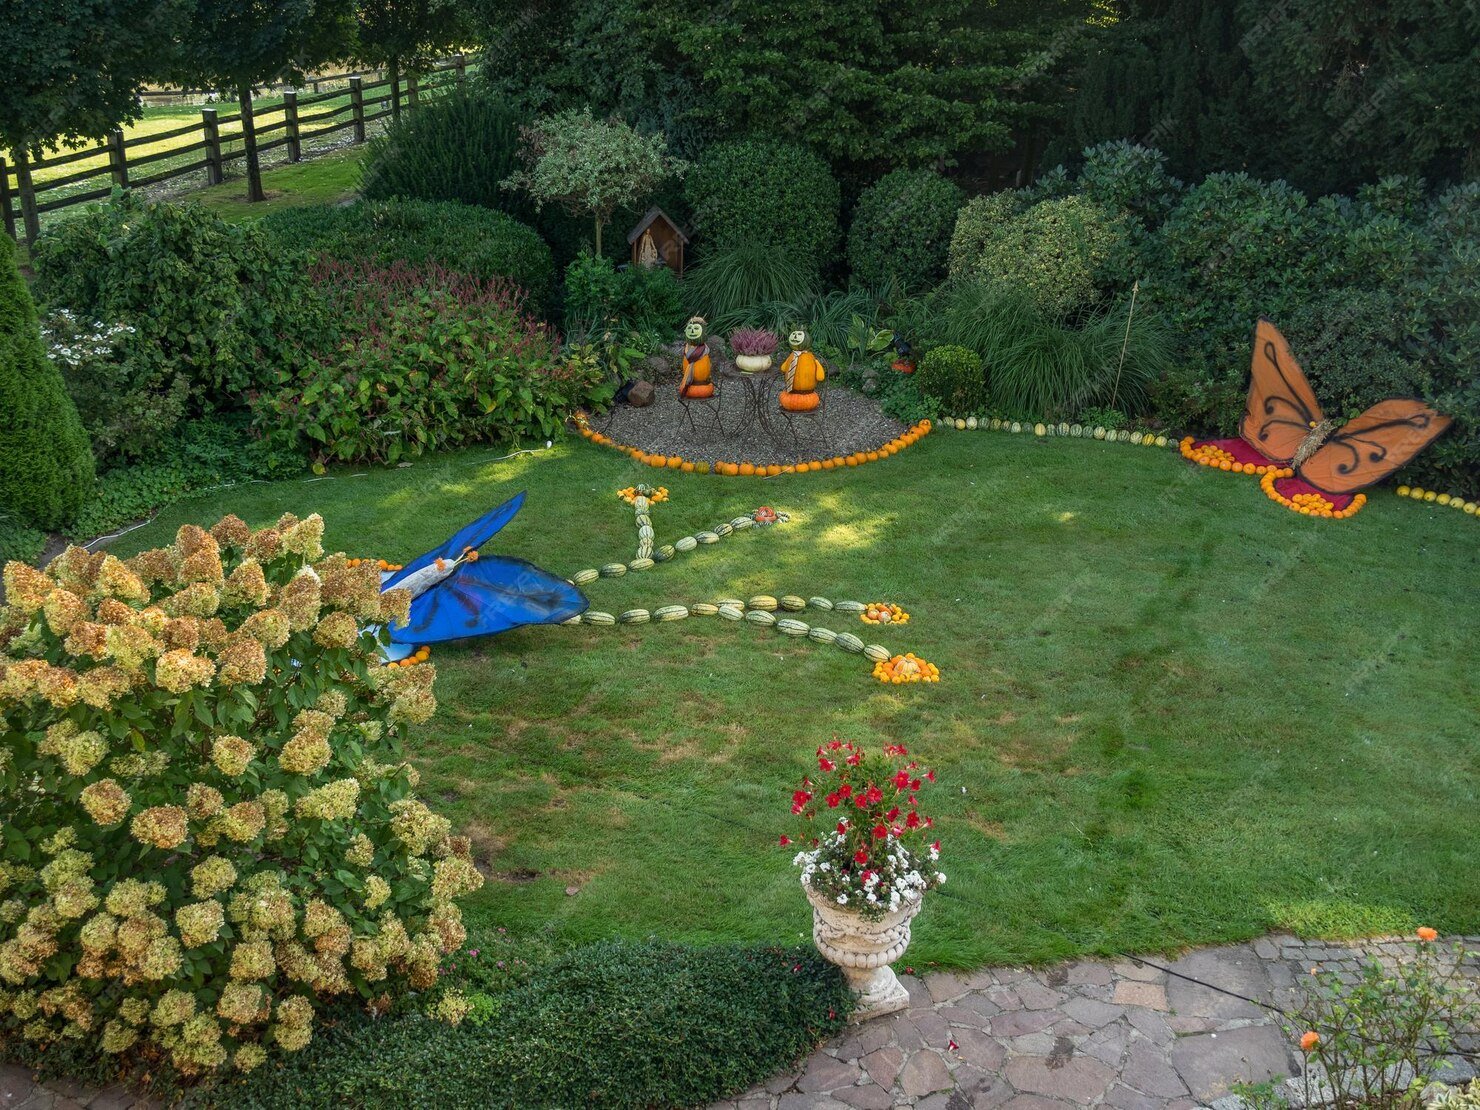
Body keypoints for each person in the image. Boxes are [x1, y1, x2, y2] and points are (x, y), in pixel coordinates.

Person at [778, 326, 824, 411]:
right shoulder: (792, 356)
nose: (795, 337)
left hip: (808, 395)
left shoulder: (810, 358)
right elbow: (784, 368)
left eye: (799, 334)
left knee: (807, 401)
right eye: (794, 334)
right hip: (791, 393)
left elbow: (820, 376)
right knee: (784, 398)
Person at [679, 316, 714, 399]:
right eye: (690, 328)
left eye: (696, 328)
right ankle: (688, 384)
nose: (692, 331)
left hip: (702, 384)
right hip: (692, 386)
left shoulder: (704, 350)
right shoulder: (686, 349)